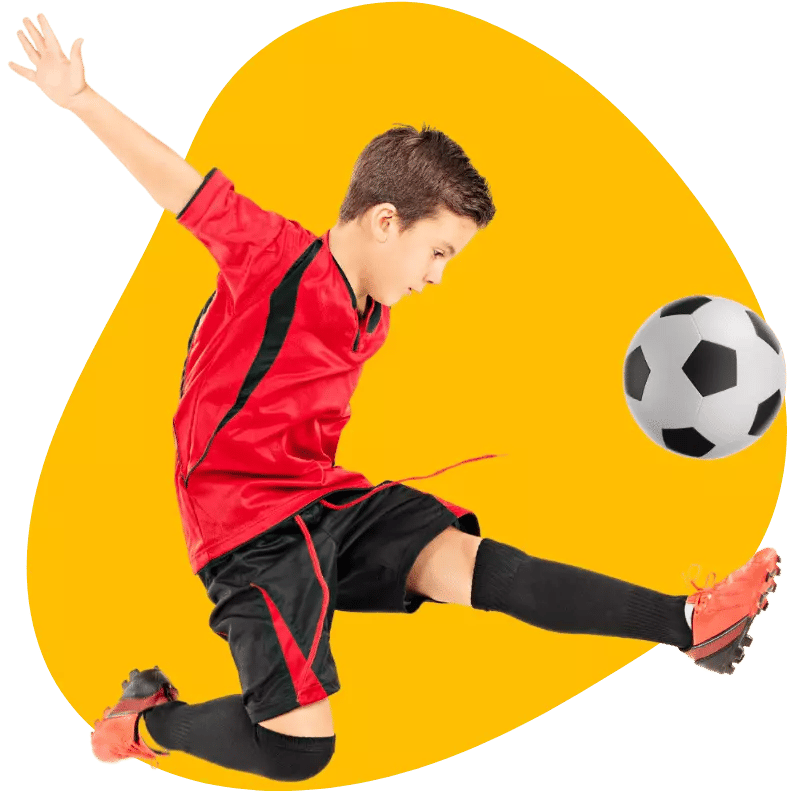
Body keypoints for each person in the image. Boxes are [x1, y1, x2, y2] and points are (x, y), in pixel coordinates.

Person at [9, 12, 782, 784]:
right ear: (385, 222)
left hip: (324, 506)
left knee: (484, 571)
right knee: (299, 751)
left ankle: (689, 625)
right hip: (248, 530)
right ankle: (142, 723)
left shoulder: (372, 316)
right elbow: (182, 189)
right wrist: (81, 99)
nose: (439, 275)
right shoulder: (278, 260)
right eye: (438, 251)